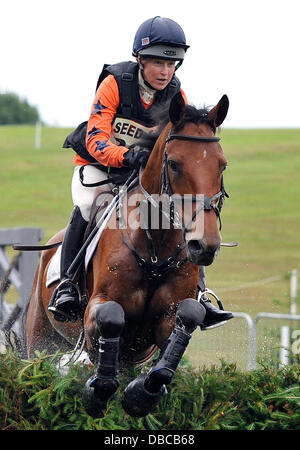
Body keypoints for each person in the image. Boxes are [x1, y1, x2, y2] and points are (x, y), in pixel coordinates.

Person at [48, 16, 233, 329]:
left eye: (172, 64)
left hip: (143, 172)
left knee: (181, 213)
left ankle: (199, 291)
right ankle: (67, 284)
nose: (165, 72)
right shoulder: (115, 83)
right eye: (159, 63)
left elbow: (179, 144)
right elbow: (95, 137)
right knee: (88, 205)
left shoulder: (176, 94)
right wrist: (125, 155)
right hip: (99, 166)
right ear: (141, 60)